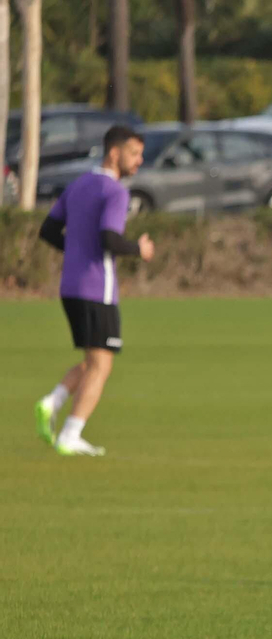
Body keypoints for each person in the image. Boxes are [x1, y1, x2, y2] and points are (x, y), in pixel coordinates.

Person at [33, 125, 154, 457]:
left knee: (92, 360)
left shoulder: (78, 184)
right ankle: (71, 434)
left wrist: (74, 249)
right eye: (134, 153)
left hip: (70, 286)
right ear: (114, 153)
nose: (139, 161)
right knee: (102, 364)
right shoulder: (115, 192)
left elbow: (47, 229)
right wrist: (138, 249)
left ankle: (53, 401)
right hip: (96, 288)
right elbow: (109, 239)